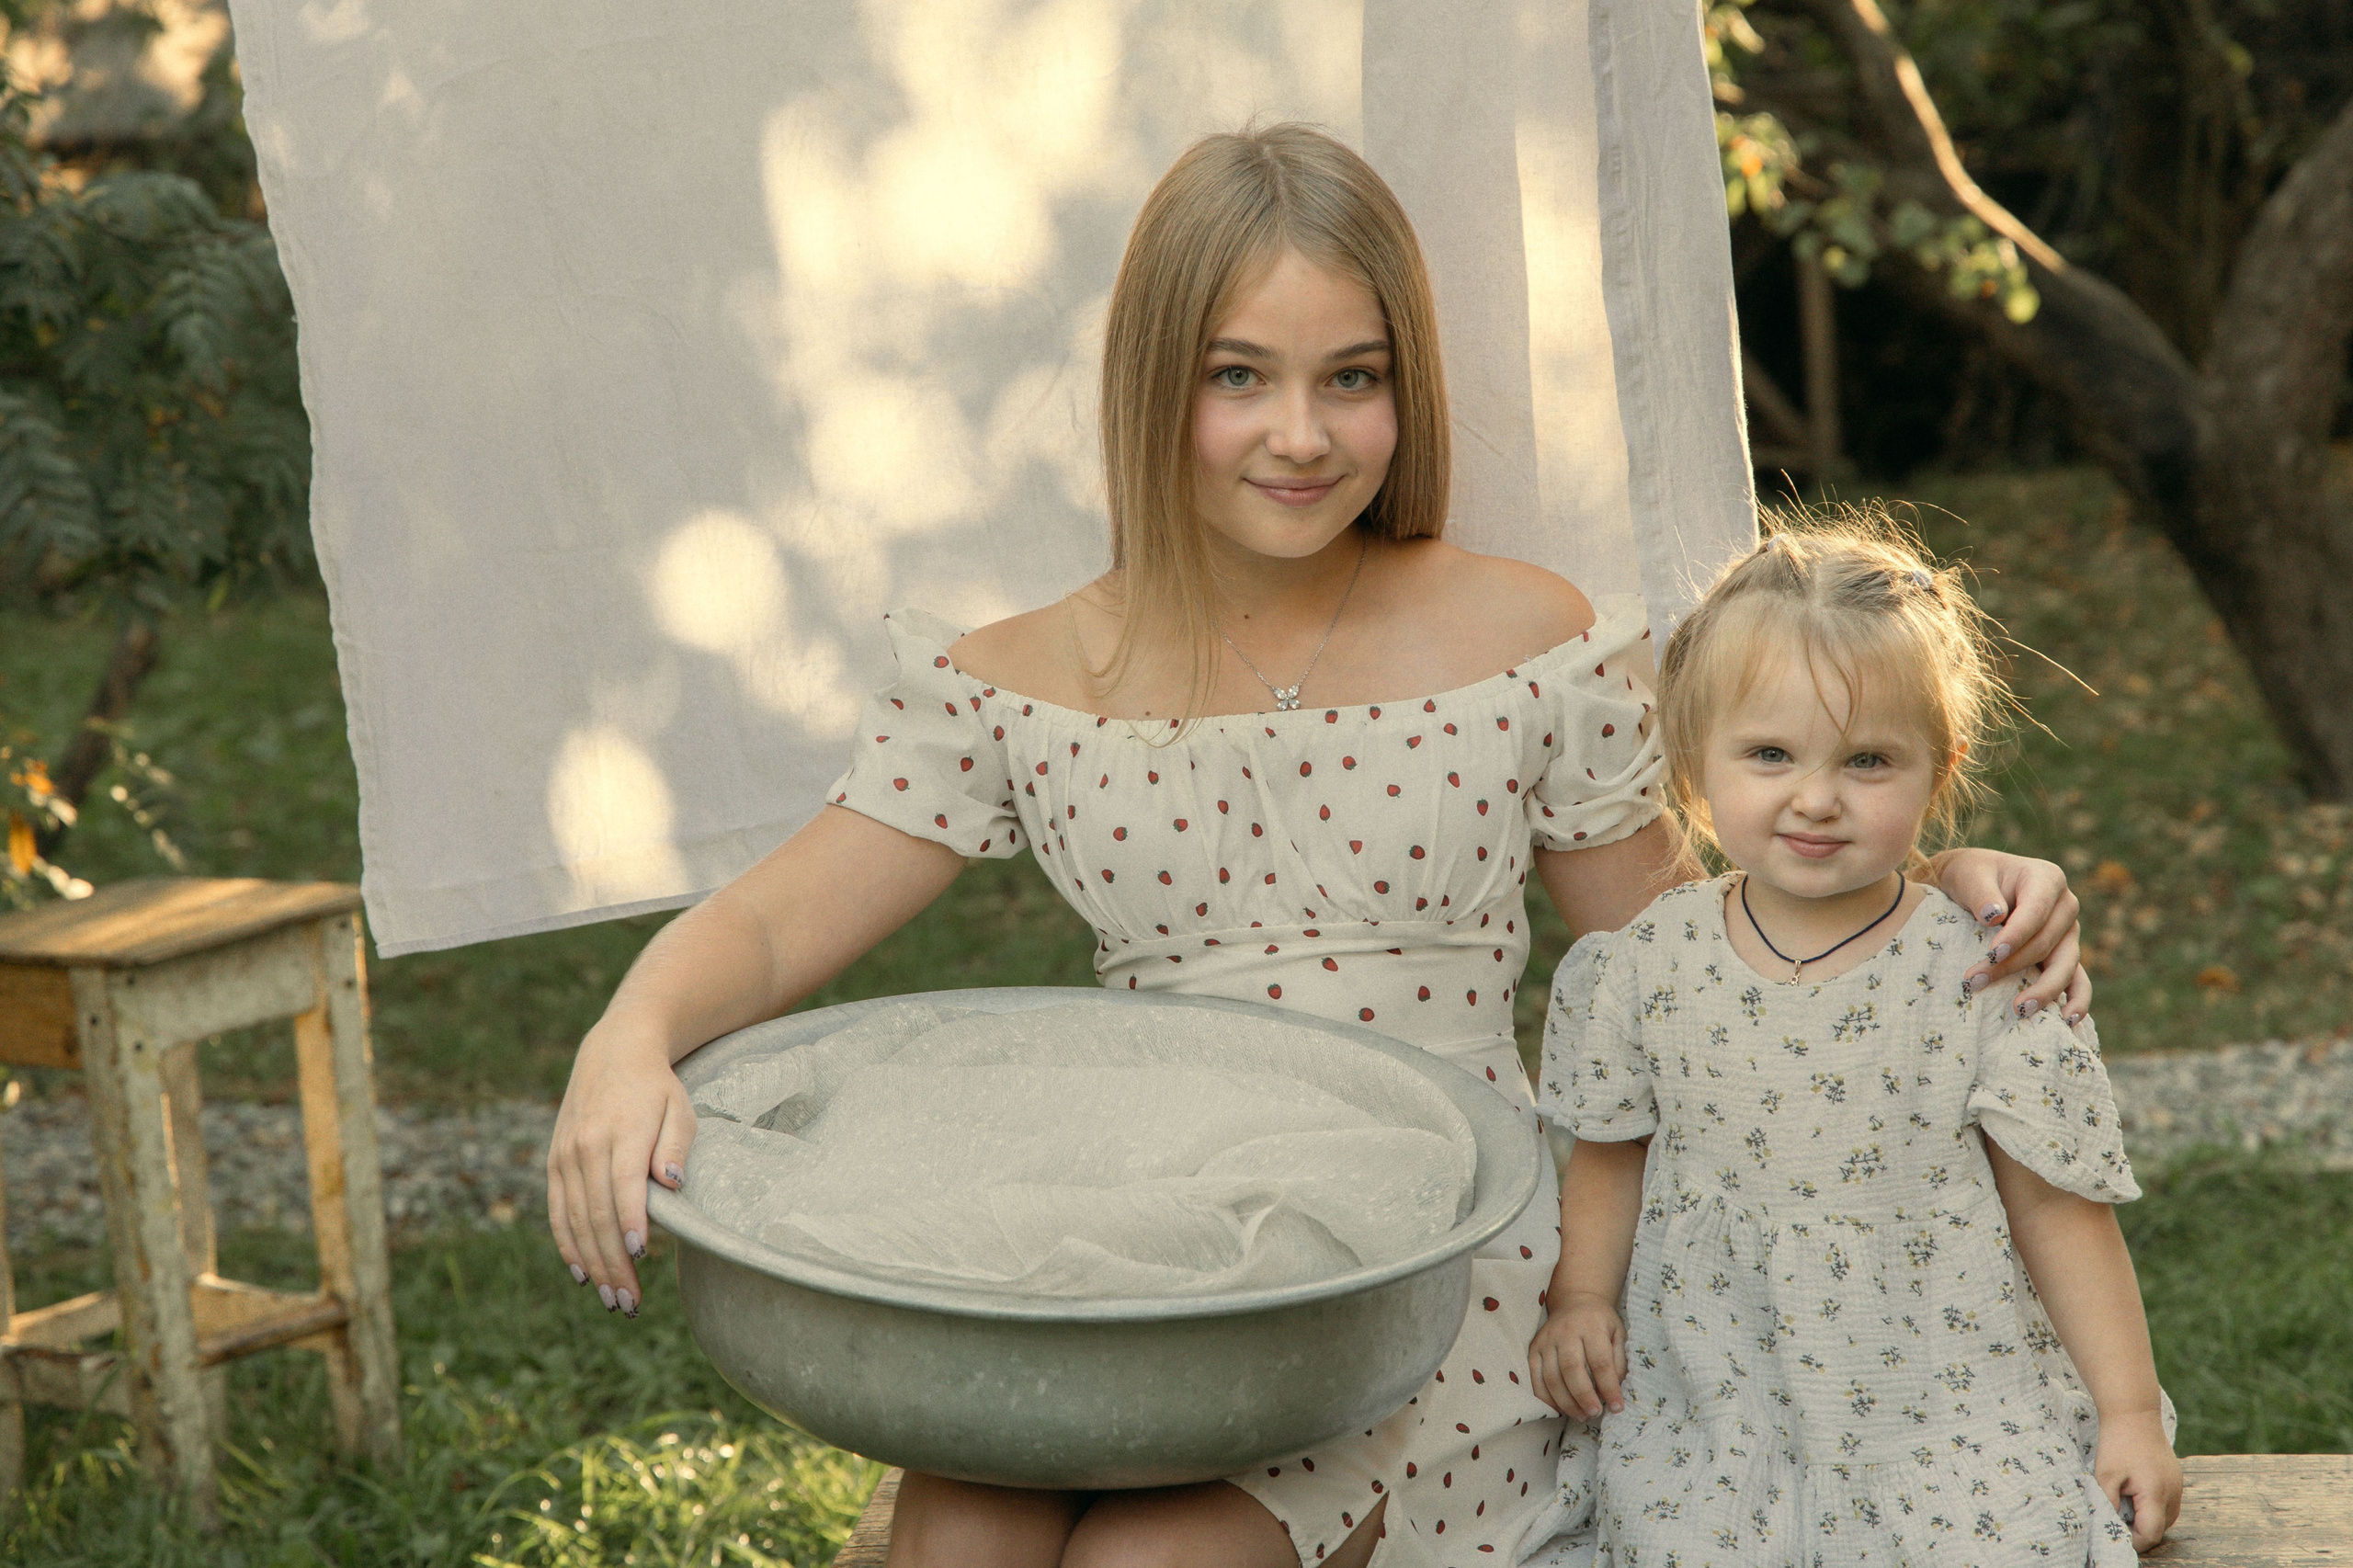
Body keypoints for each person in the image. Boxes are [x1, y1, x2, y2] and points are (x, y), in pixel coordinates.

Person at [546, 125, 2091, 1568]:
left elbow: (1691, 960)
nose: (1301, 434)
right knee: (960, 1528)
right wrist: (634, 1032)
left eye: (1351, 378)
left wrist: (1934, 882)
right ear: (1158, 382)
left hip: (1431, 1263)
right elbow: (765, 927)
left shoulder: (1524, 640)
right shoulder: (1019, 681)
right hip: (1147, 1242)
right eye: (1240, 376)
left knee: (1154, 1555)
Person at [1524, 517, 2179, 1566]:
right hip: (1720, 1383)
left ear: (1940, 766)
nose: (1816, 796)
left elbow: (2055, 1205)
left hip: (1931, 1382)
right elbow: (1612, 1151)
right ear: (1694, 759)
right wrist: (1583, 1298)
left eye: (1868, 759)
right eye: (1770, 753)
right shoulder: (1646, 962)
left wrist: (2130, 1413)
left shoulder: (1972, 967)